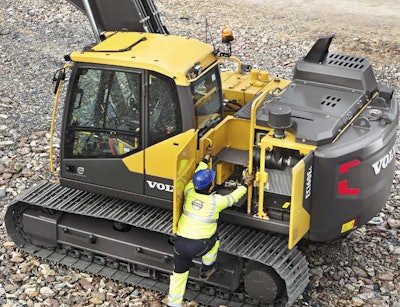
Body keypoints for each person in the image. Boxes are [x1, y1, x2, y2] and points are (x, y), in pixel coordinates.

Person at [167, 145, 254, 307]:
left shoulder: (189, 190)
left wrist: (206, 158)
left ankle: (173, 304)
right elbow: (234, 197)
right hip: (200, 246)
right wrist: (245, 184)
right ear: (212, 185)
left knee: (178, 276)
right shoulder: (216, 202)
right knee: (215, 241)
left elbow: (197, 175)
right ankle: (207, 268)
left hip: (180, 244)